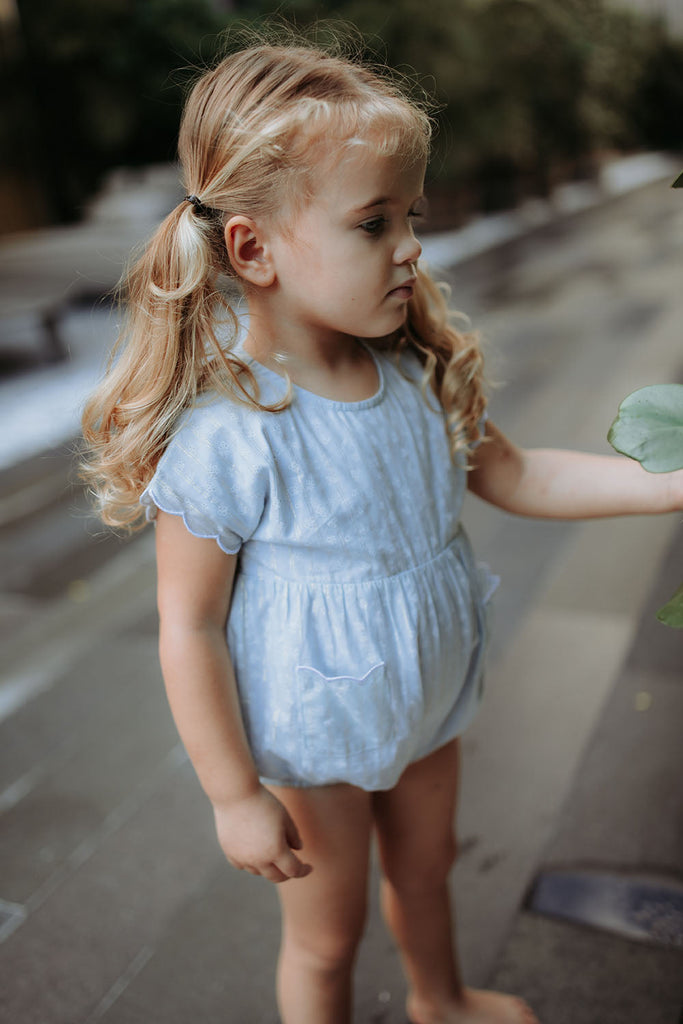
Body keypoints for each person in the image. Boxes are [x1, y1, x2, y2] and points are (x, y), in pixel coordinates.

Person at [82, 33, 683, 1024]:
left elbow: (520, 473)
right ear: (252, 249)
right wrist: (234, 794)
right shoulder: (232, 434)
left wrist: (662, 487)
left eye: (410, 215)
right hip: (317, 731)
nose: (411, 244)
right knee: (325, 936)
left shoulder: (412, 374)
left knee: (429, 869)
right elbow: (186, 625)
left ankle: (439, 1001)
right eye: (374, 222)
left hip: (427, 702)